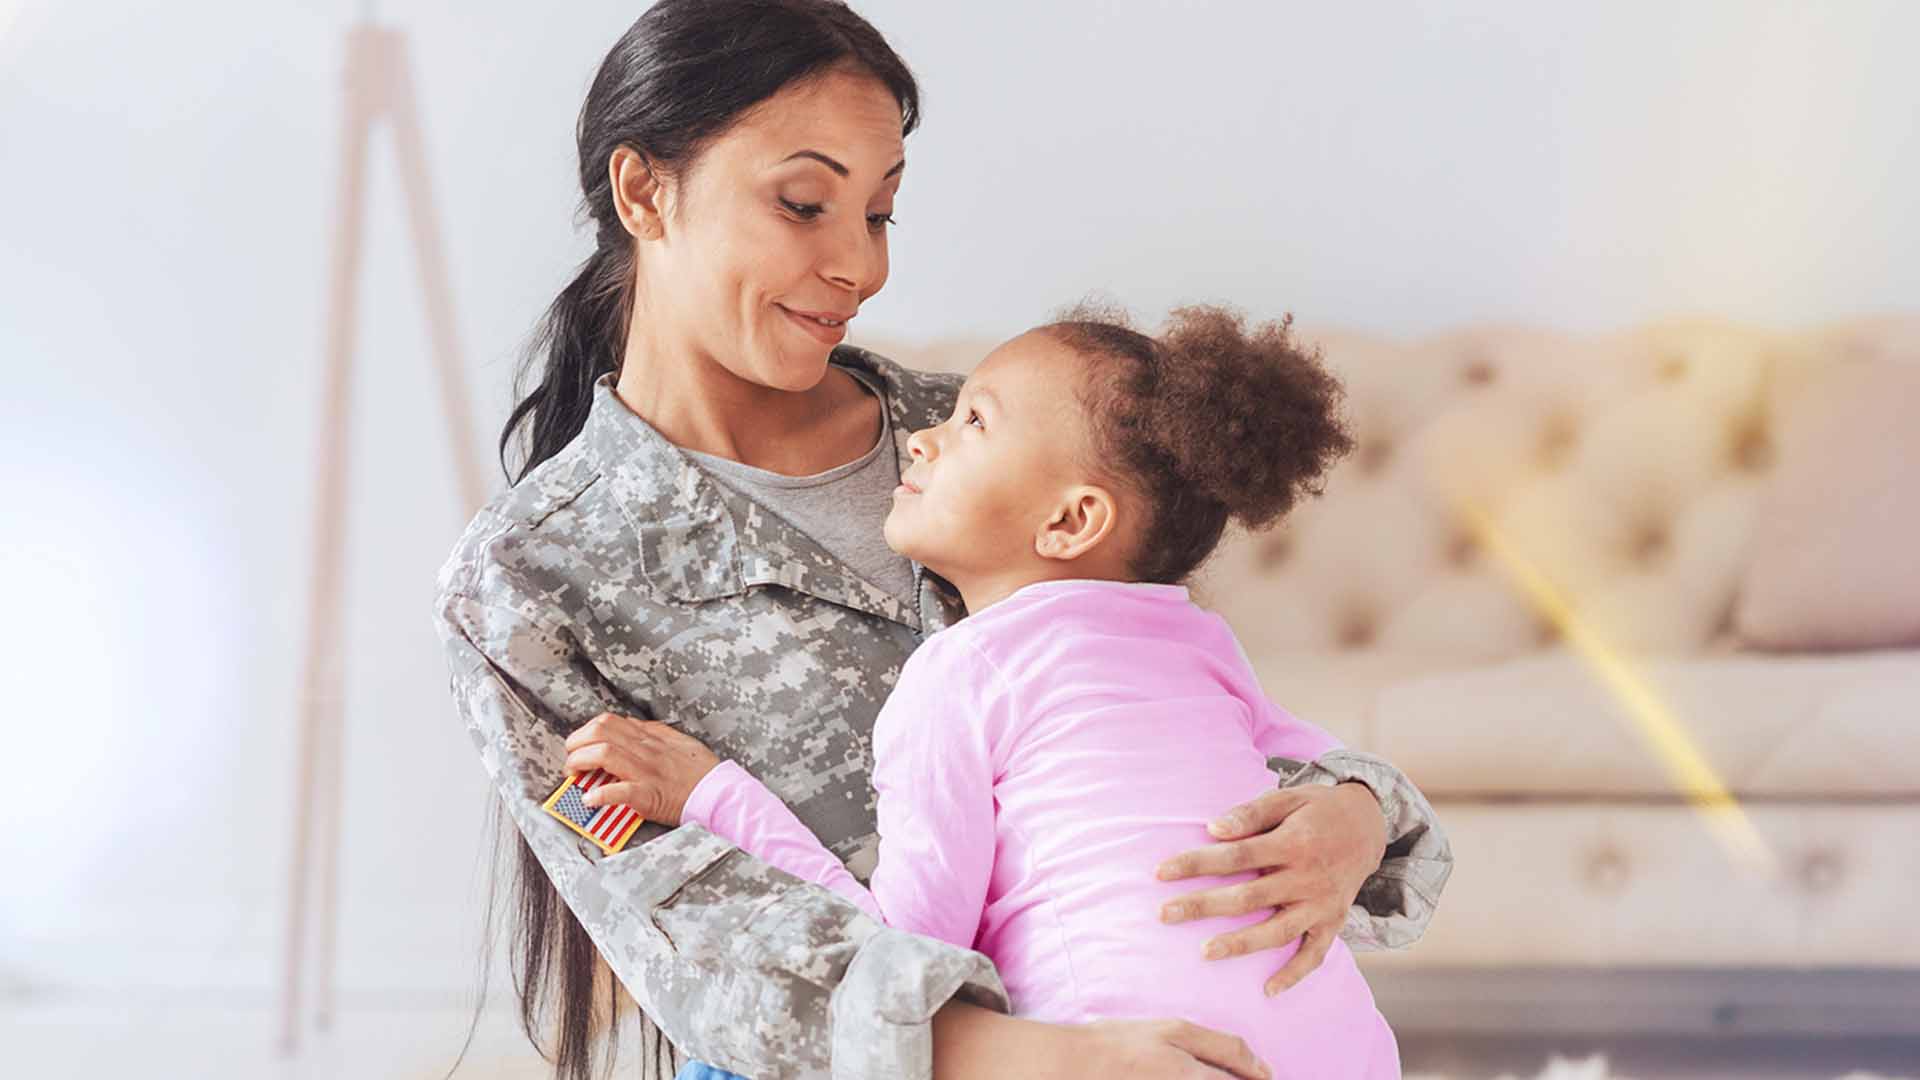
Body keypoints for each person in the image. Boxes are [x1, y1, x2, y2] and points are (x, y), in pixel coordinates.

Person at [431, 3, 1454, 1078]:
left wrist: (1351, 813)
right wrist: (1031, 1058)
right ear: (645, 192)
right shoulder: (527, 584)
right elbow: (701, 935)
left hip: (1147, 1025)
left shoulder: (983, 442)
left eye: (878, 215)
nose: (858, 269)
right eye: (804, 203)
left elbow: (1161, 713)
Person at [572, 304, 1405, 1080]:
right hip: (1349, 1051)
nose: (923, 439)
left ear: (1071, 523)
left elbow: (904, 946)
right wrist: (1361, 802)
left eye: (974, 421)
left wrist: (713, 792)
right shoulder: (1200, 641)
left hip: (1130, 1055)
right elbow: (1320, 770)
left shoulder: (963, 671)